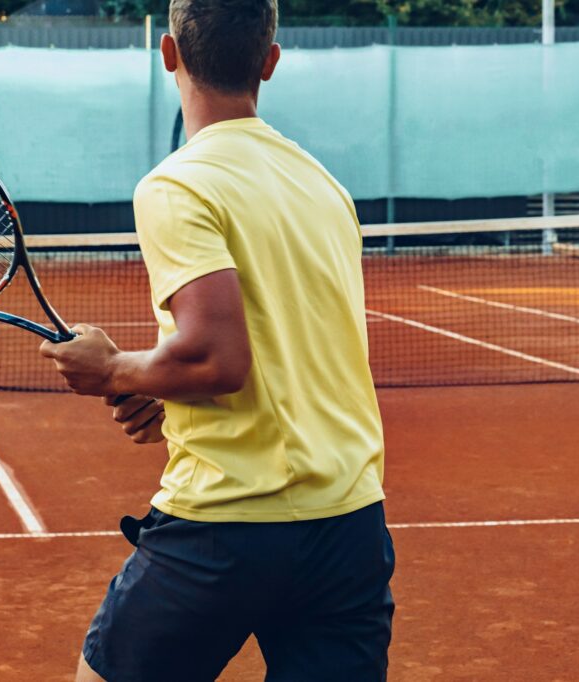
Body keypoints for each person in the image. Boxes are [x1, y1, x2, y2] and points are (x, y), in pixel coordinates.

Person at [39, 1, 394, 680]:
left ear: (169, 53)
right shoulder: (326, 188)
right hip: (349, 526)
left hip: (227, 525)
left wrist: (113, 369)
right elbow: (281, 352)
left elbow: (217, 357)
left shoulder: (178, 185)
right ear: (269, 61)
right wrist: (160, 388)